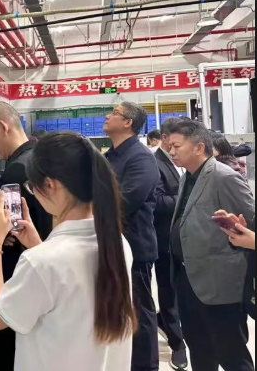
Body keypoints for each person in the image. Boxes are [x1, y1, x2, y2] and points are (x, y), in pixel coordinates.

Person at [0, 133, 136, 370]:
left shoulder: (41, 262)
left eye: (32, 187)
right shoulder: (117, 242)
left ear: (50, 185)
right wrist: (38, 245)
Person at [169, 120, 255, 371]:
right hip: (188, 278)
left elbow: (250, 220)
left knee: (231, 354)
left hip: (220, 282)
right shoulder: (187, 177)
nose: (171, 151)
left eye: (177, 146)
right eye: (170, 146)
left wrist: (238, 229)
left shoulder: (223, 176)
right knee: (199, 349)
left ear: (198, 147)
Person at [0, 102, 54, 369]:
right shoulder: (40, 160)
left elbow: (2, 228)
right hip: (40, 267)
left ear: (3, 126)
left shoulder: (17, 170)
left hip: (14, 274)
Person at [103, 102, 159, 371]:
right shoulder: (110, 156)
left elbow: (126, 201)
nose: (107, 116)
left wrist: (92, 208)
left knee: (140, 311)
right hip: (111, 245)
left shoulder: (140, 158)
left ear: (128, 123)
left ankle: (146, 366)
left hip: (135, 248)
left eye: (114, 113)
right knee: (120, 311)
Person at [152, 118, 188, 370]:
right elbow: (157, 202)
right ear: (166, 139)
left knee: (184, 291)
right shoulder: (154, 164)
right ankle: (177, 344)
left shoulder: (186, 161)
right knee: (168, 291)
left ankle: (169, 323)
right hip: (164, 240)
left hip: (188, 239)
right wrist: (188, 199)